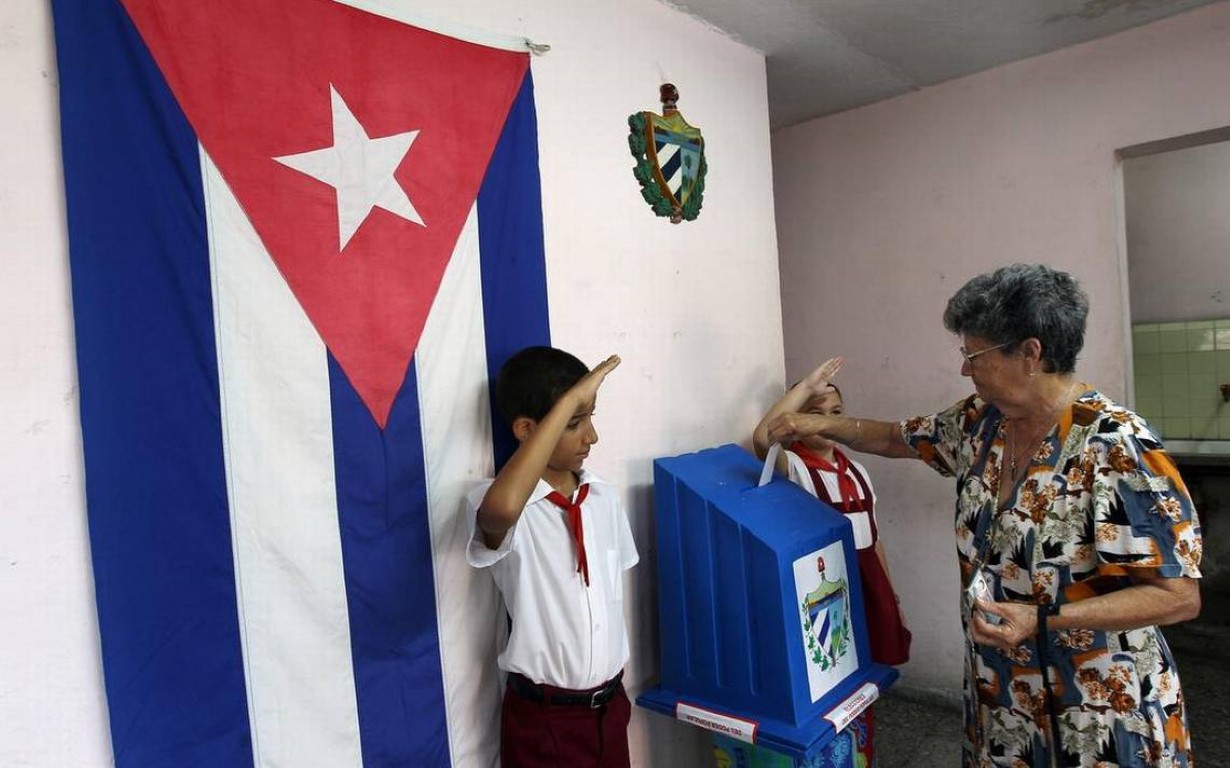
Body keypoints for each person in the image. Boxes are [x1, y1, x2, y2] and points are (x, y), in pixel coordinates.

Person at [766, 264, 1202, 768]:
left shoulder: (1116, 447)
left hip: (1099, 708)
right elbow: (895, 437)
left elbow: (1177, 596)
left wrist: (1042, 619)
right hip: (1004, 697)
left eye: (974, 354)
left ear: (1030, 353)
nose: (964, 369)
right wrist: (813, 422)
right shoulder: (983, 421)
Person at [465, 346, 637, 768]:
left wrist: (572, 408)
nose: (591, 436)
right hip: (544, 720)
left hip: (610, 708)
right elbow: (502, 510)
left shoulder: (603, 498)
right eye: (574, 423)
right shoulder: (502, 503)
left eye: (589, 419)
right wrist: (566, 403)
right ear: (527, 429)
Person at [752, 356, 912, 666]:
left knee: (870, 660)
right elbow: (762, 438)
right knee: (835, 662)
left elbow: (874, 539)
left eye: (835, 413)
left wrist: (890, 594)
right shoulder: (796, 469)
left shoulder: (858, 473)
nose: (825, 421)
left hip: (868, 580)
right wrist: (806, 387)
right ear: (795, 421)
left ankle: (865, 715)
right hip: (826, 590)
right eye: (814, 414)